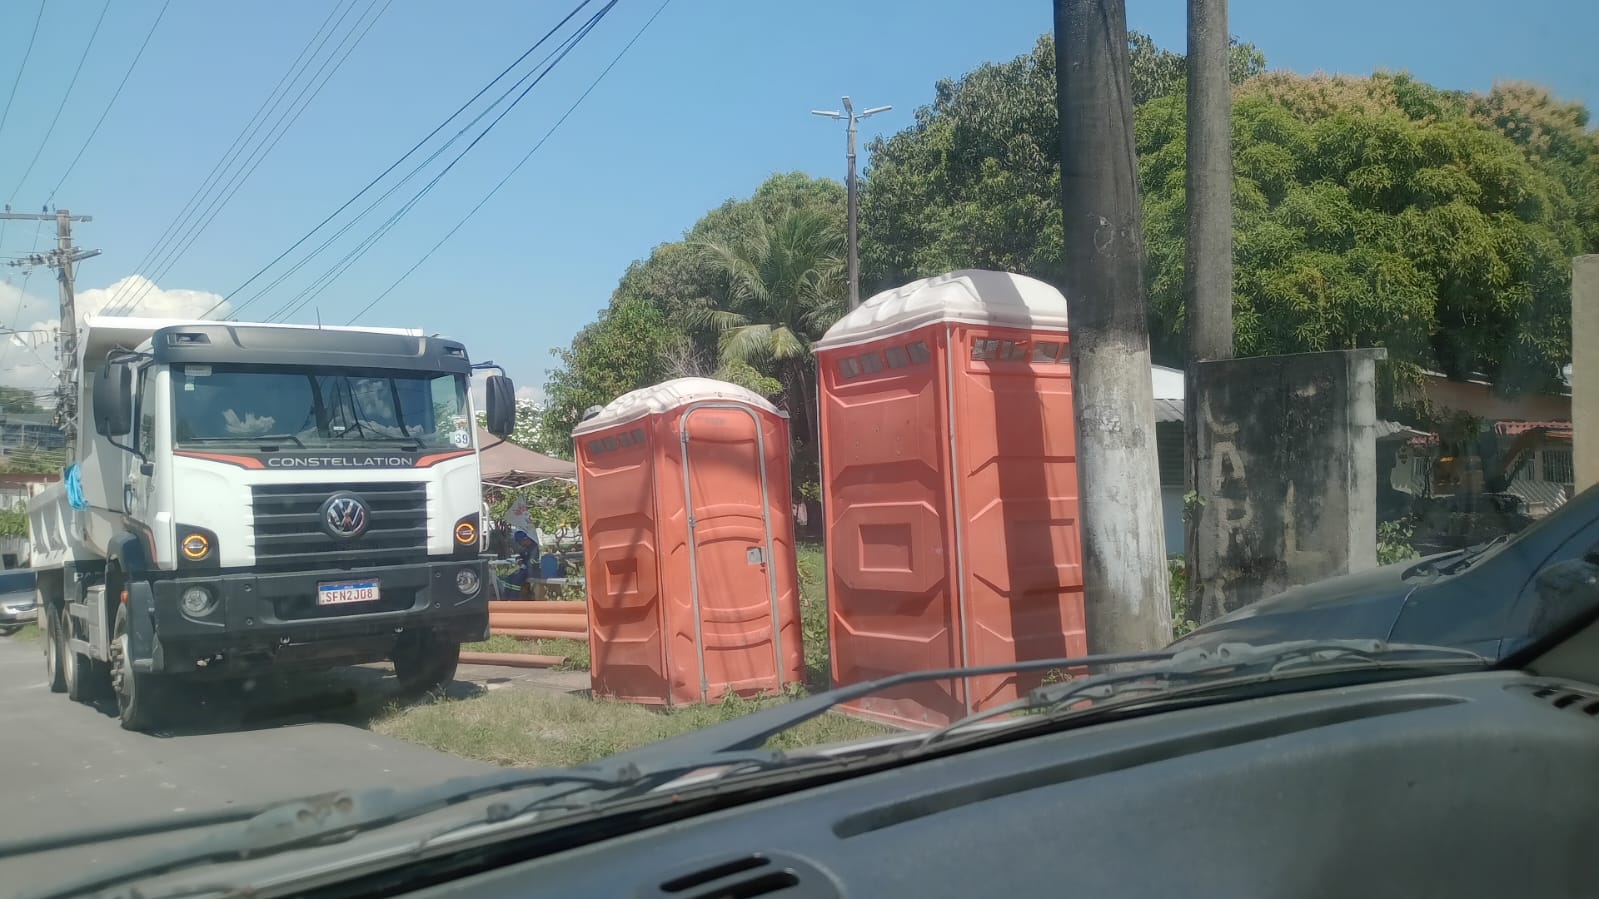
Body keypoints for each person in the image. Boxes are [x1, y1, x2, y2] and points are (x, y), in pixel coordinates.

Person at [501, 529, 541, 595]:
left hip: (531, 571)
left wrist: (523, 565)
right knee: (509, 578)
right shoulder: (526, 547)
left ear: (525, 539)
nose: (519, 544)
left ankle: (514, 598)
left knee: (515, 580)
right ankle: (506, 598)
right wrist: (519, 560)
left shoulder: (534, 548)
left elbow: (531, 562)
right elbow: (521, 557)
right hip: (524, 569)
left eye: (520, 542)